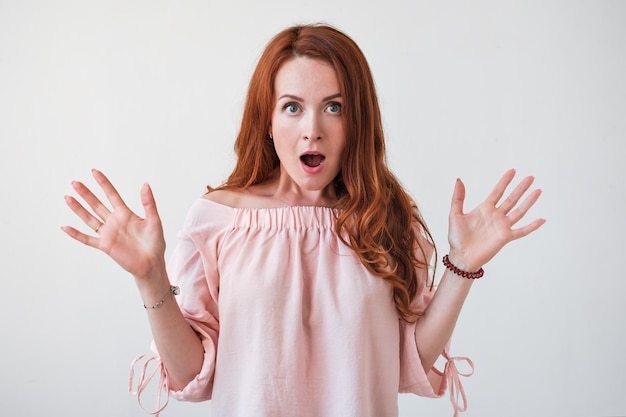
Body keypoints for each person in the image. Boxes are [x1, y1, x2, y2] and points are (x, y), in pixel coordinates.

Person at [62, 23, 545, 417]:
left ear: (357, 121)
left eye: (333, 107)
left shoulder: (385, 218)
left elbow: (407, 362)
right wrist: (149, 278)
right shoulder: (217, 219)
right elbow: (190, 376)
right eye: (292, 107)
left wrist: (460, 265)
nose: (312, 129)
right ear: (268, 123)